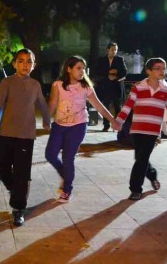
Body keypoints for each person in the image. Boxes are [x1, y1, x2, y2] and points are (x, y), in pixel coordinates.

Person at [0, 49, 51, 226]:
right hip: (5, 133)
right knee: (0, 162)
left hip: (26, 136)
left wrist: (47, 120)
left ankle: (19, 208)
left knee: (22, 172)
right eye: (21, 61)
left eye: (29, 61)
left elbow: (42, 104)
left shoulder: (35, 85)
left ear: (33, 65)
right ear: (14, 64)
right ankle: (16, 190)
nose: (25, 65)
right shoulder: (7, 82)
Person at [45, 56, 120, 203]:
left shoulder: (86, 87)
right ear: (69, 69)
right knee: (50, 155)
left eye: (83, 69)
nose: (82, 71)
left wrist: (112, 120)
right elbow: (52, 104)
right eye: (78, 68)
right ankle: (66, 175)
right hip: (59, 126)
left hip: (78, 126)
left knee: (68, 158)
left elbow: (98, 106)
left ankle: (67, 189)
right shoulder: (57, 85)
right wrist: (47, 120)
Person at [114, 58, 167, 201]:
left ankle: (135, 189)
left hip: (152, 131)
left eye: (163, 68)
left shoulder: (165, 90)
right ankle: (152, 176)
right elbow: (127, 106)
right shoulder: (138, 87)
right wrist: (119, 121)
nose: (162, 71)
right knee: (141, 158)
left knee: (141, 158)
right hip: (137, 129)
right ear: (148, 71)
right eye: (158, 68)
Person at [93, 42, 127, 132]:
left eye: (116, 50)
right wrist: (109, 73)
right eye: (112, 49)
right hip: (106, 87)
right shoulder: (101, 60)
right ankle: (106, 125)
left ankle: (118, 125)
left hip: (117, 87)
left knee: (118, 107)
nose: (114, 51)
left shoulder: (120, 59)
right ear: (108, 49)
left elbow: (124, 72)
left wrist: (116, 76)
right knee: (106, 106)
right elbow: (98, 71)